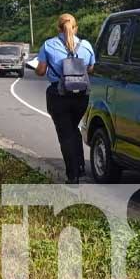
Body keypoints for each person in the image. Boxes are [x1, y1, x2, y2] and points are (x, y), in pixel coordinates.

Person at [35, 14, 95, 184]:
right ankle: (81, 167)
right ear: (75, 28)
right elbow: (91, 68)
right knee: (73, 127)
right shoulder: (86, 46)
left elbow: (40, 71)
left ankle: (73, 176)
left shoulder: (48, 45)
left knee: (65, 135)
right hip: (81, 96)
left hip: (59, 96)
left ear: (58, 28)